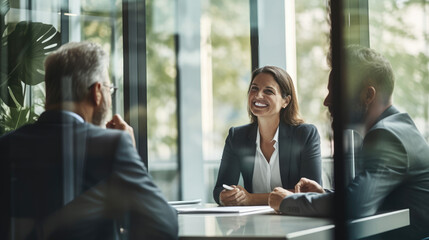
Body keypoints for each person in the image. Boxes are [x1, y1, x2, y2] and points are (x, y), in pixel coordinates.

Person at [0, 42, 178, 239]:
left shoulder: (6, 144)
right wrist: (130, 154)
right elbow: (163, 224)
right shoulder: (111, 145)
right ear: (97, 92)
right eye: (109, 89)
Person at [268, 45, 429, 239]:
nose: (326, 101)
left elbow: (355, 205)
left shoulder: (387, 136)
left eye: (336, 91)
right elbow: (368, 197)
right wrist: (322, 194)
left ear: (368, 95)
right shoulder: (397, 127)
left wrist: (290, 201)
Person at [213, 66, 322, 206]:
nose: (258, 95)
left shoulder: (305, 135)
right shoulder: (236, 137)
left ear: (286, 101)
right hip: (252, 223)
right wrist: (226, 196)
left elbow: (312, 194)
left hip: (295, 221)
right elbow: (219, 189)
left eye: (268, 91)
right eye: (254, 88)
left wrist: (251, 199)